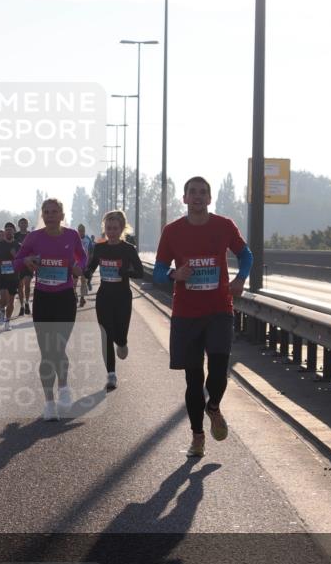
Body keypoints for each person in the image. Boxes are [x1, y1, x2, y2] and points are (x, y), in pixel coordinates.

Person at [153, 176, 253, 457]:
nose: (197, 196)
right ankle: (197, 436)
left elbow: (247, 256)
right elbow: (159, 272)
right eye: (192, 192)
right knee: (193, 380)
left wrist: (240, 279)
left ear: (209, 199)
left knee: (219, 370)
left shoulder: (224, 226)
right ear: (184, 199)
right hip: (186, 315)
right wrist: (175, 274)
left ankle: (214, 408)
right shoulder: (172, 232)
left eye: (203, 192)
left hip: (219, 309)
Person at [14, 199, 87, 421]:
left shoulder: (71, 235)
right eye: (46, 212)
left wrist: (78, 268)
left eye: (54, 212)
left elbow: (82, 257)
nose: (50, 215)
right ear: (42, 215)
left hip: (65, 298)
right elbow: (17, 262)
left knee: (59, 347)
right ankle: (49, 403)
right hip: (44, 298)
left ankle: (63, 387)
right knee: (48, 352)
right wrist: (27, 260)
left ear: (62, 214)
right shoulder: (34, 237)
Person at [84, 211, 143, 391]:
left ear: (122, 228)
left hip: (123, 296)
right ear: (105, 229)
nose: (111, 231)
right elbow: (92, 267)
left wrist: (125, 272)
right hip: (104, 296)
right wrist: (84, 273)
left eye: (115, 228)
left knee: (120, 334)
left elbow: (140, 273)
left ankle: (123, 342)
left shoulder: (128, 249)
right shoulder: (100, 247)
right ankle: (111, 374)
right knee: (106, 334)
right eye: (108, 228)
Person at [0, 224, 20, 331]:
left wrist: (15, 256)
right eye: (6, 230)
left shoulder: (18, 245)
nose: (8, 232)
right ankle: (2, 310)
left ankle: (7, 322)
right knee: (3, 298)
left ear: (14, 232)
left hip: (13, 276)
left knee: (11, 301)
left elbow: (21, 260)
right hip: (2, 274)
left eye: (10, 230)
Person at [14, 217, 33, 316]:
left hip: (29, 263)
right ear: (19, 225)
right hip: (19, 263)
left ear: (27, 224)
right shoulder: (15, 235)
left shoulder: (31, 235)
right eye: (21, 223)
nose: (23, 225)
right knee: (19, 286)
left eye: (25, 223)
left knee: (27, 284)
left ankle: (27, 303)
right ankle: (21, 306)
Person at [77, 223, 95, 306]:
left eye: (82, 231)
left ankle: (82, 298)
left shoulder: (88, 240)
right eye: (79, 231)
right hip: (75, 264)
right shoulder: (75, 239)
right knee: (73, 282)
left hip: (85, 264)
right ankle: (75, 295)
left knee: (83, 281)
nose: (81, 232)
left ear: (84, 231)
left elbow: (91, 253)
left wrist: (89, 263)